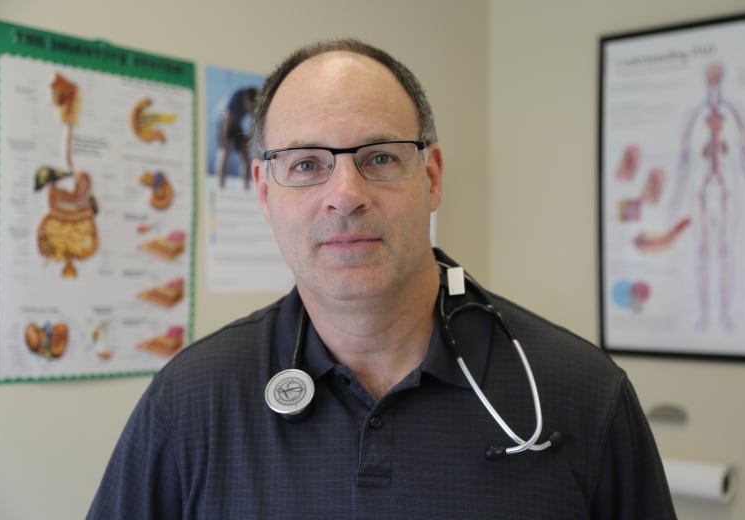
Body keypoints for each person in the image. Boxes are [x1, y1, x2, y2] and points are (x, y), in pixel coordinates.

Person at [88, 39, 676, 519]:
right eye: (307, 165)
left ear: (433, 176)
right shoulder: (190, 403)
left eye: (380, 157)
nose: (345, 195)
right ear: (265, 194)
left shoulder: (581, 393)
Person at [215, 86, 257, 189]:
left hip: (237, 125)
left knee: (246, 155)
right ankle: (221, 186)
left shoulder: (254, 102)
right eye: (251, 107)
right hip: (224, 123)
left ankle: (246, 187)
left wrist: (248, 138)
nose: (252, 110)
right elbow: (227, 118)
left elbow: (254, 124)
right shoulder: (236, 97)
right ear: (247, 99)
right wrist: (224, 139)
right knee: (224, 152)